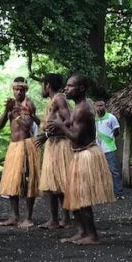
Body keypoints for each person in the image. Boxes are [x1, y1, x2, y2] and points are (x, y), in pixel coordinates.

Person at [46, 74, 115, 245]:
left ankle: (92, 235)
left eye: (70, 86)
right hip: (78, 155)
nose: (66, 89)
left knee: (83, 198)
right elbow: (71, 122)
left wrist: (61, 126)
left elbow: (75, 136)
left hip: (86, 154)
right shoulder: (78, 106)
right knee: (74, 195)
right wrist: (55, 127)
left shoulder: (84, 109)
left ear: (81, 89)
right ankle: (82, 232)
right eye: (66, 86)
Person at [0, 77, 40, 228]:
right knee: (12, 181)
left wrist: (17, 114)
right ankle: (14, 216)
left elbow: (27, 126)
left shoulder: (28, 104)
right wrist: (7, 110)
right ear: (13, 90)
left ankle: (28, 217)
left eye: (22, 89)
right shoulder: (11, 105)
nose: (19, 92)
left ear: (26, 90)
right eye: (16, 89)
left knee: (27, 181)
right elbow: (0, 125)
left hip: (26, 145)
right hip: (13, 146)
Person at [36, 74, 73, 228]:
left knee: (59, 184)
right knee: (53, 185)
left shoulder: (59, 99)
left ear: (48, 86)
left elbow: (69, 121)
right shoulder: (53, 101)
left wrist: (47, 135)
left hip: (60, 145)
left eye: (42, 85)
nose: (42, 89)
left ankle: (63, 219)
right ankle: (57, 219)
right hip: (53, 145)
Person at [94, 98, 124, 199]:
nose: (99, 108)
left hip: (109, 148)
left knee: (114, 171)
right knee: (99, 171)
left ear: (105, 106)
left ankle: (119, 193)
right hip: (97, 149)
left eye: (101, 106)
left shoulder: (111, 117)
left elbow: (117, 131)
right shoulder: (94, 119)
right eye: (97, 106)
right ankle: (102, 193)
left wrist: (110, 138)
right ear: (94, 107)